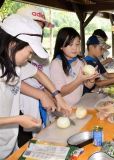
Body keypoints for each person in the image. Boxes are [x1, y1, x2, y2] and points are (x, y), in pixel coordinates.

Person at [0, 14, 70, 159]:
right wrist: (18, 119)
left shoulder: (13, 62)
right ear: (13, 45)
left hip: (9, 144)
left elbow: (38, 74)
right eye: (29, 52)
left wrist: (57, 96)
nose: (30, 57)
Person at [16, 5, 55, 147]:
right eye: (34, 27)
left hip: (40, 109)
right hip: (20, 112)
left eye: (41, 29)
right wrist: (42, 95)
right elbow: (14, 81)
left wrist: (53, 96)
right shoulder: (12, 55)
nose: (38, 33)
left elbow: (40, 76)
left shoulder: (41, 52)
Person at [50, 27, 98, 106]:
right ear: (61, 46)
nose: (74, 48)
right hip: (62, 109)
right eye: (70, 44)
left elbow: (88, 85)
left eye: (77, 44)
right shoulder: (56, 64)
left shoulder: (81, 61)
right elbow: (61, 92)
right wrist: (78, 80)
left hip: (76, 106)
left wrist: (92, 79)